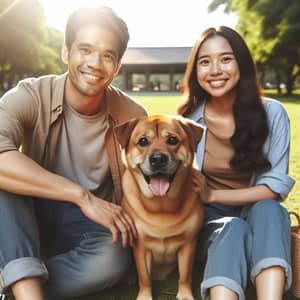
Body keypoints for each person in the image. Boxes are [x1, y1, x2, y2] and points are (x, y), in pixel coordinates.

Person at [0, 6, 147, 300]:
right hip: (29, 213)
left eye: (108, 55)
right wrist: (82, 196)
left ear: (117, 67)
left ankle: (13, 281)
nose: (95, 63)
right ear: (66, 53)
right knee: (5, 187)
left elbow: (151, 173)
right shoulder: (29, 96)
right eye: (85, 49)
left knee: (115, 255)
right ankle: (28, 293)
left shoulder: (132, 116)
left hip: (88, 227)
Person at [177, 26, 295, 300]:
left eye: (226, 59)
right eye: (205, 62)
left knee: (270, 209)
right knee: (233, 227)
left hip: (259, 215)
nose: (215, 69)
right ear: (195, 71)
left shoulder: (272, 114)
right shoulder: (188, 123)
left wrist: (214, 192)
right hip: (209, 222)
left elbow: (274, 187)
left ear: (241, 63)